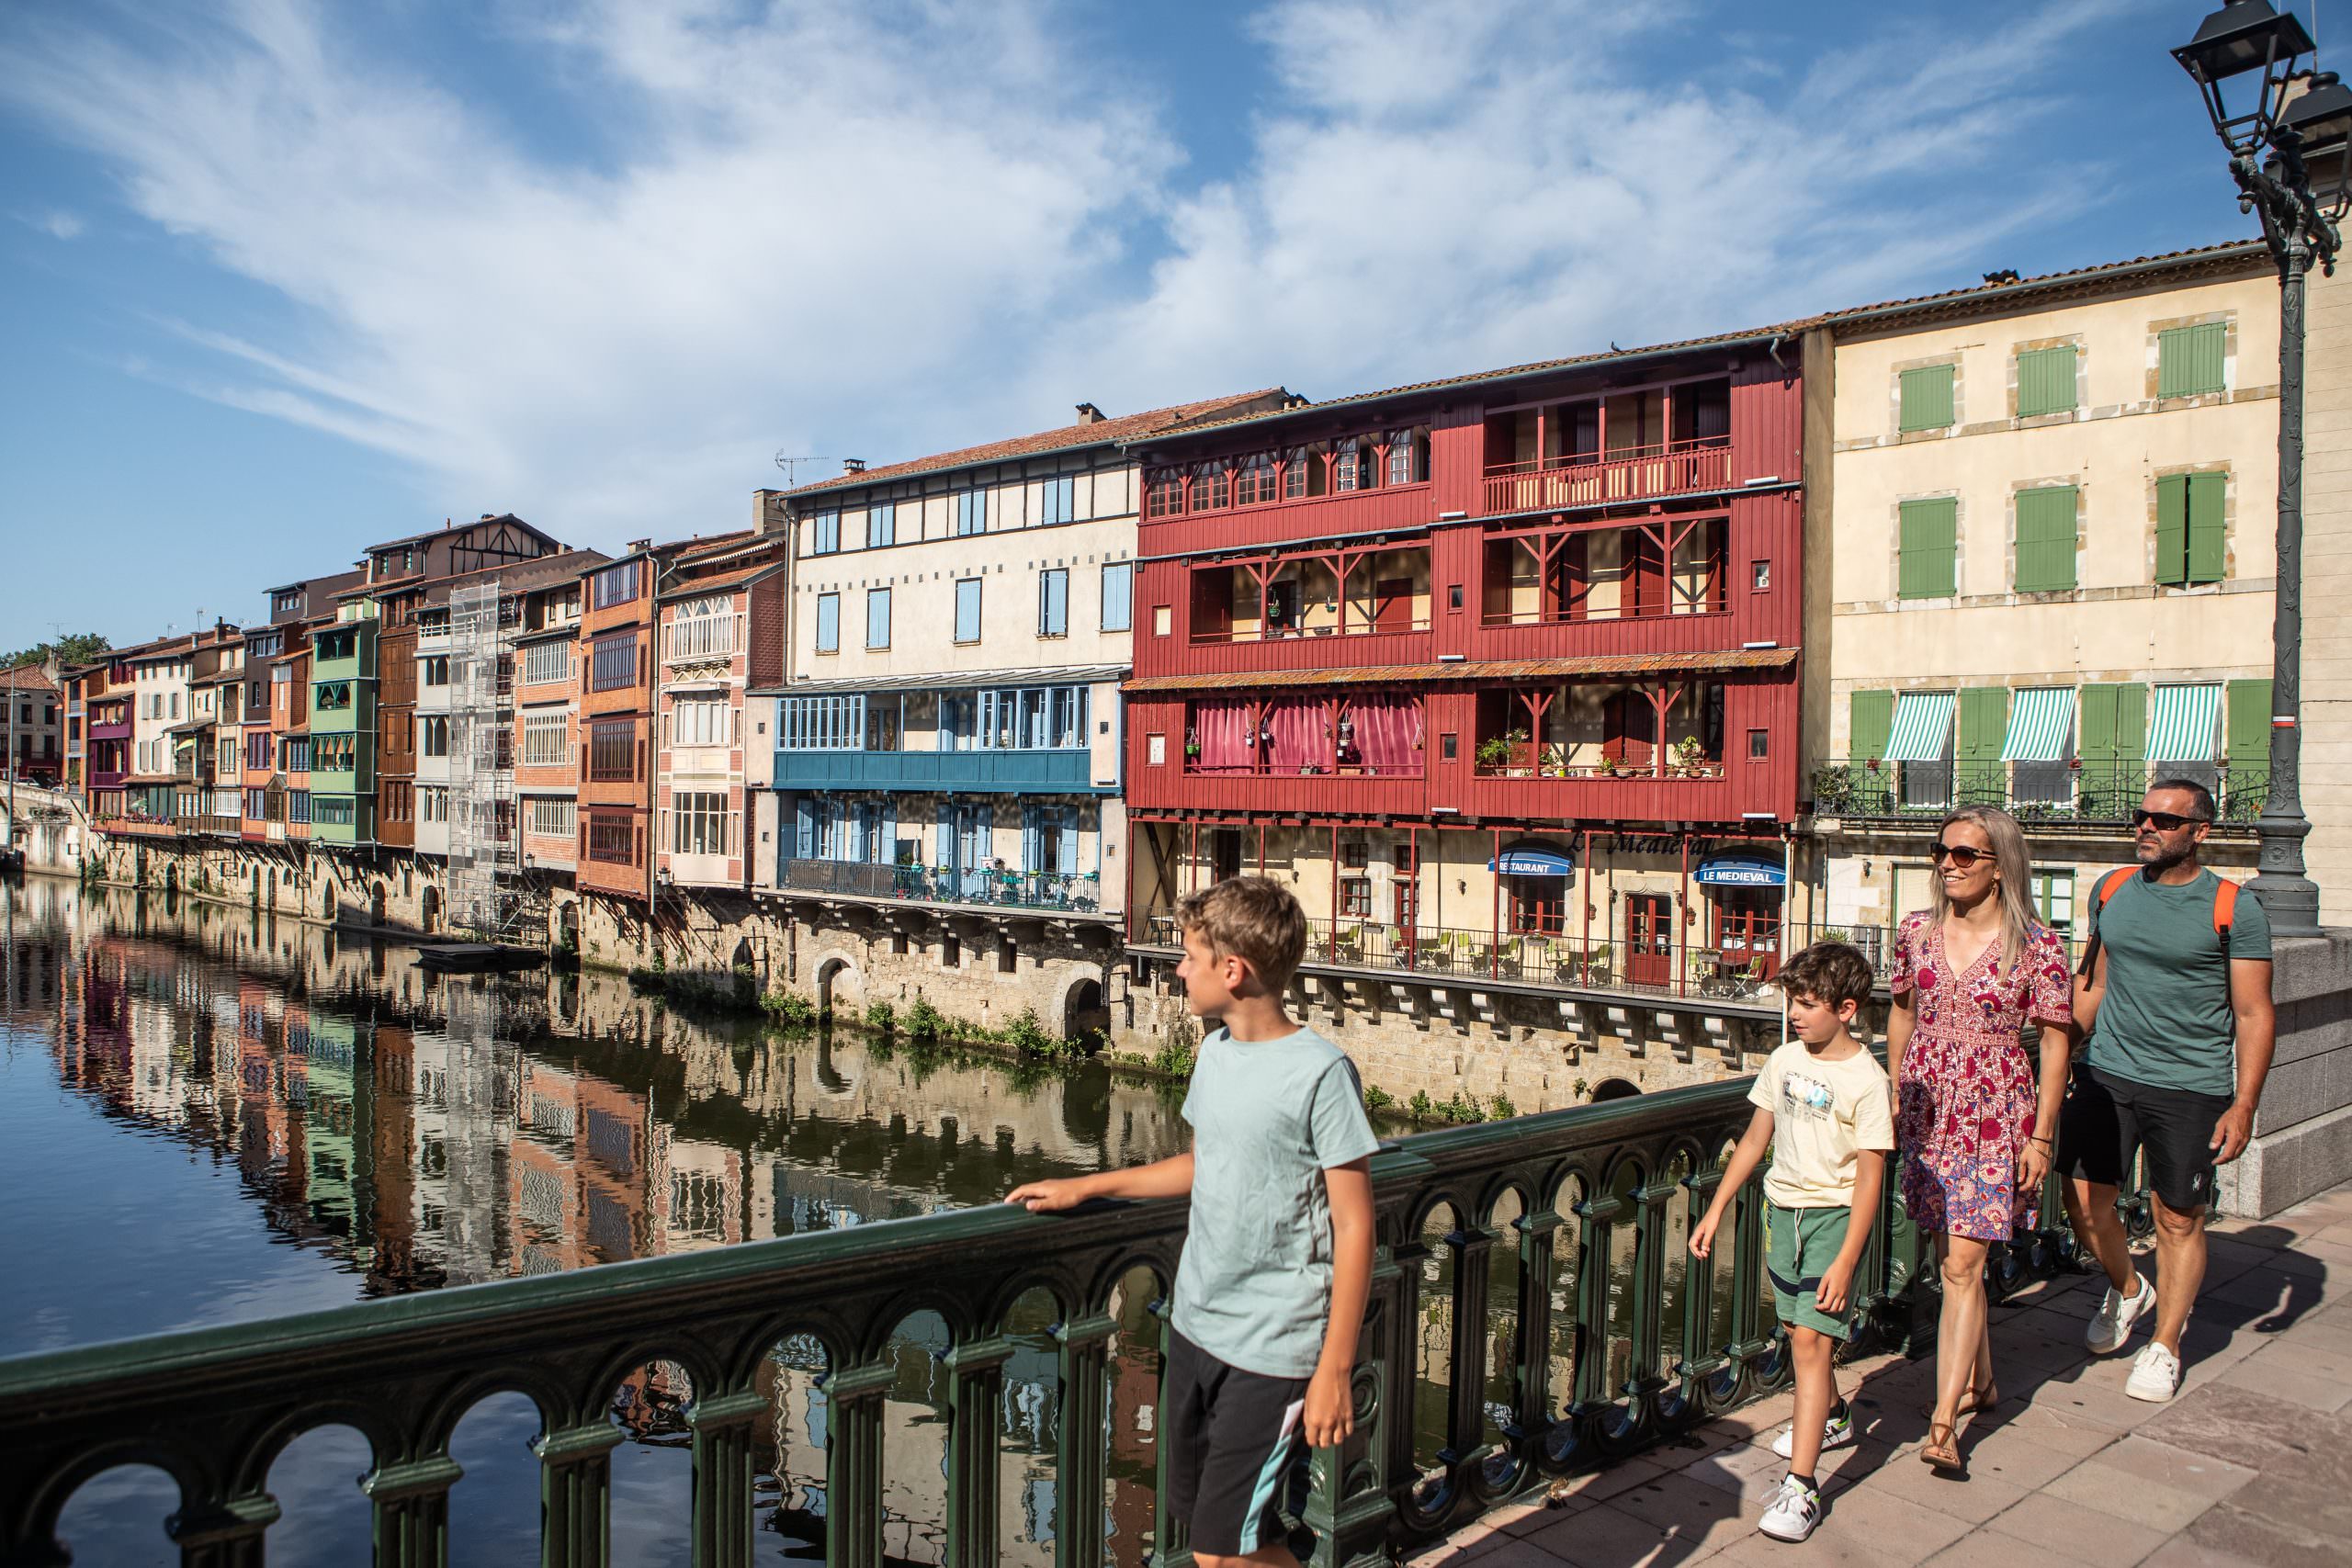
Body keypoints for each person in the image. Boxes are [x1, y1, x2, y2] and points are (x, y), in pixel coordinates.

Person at [1005, 877, 1378, 1568]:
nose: (1178, 969)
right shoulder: (1214, 1054)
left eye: (1190, 956)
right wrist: (1084, 1186)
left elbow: (1356, 1225)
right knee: (1225, 1541)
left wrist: (1335, 1365)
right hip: (1197, 1326)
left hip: (1273, 1349)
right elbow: (1202, 1164)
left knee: (1219, 1548)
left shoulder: (1323, 1074)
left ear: (1232, 970)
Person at [2061, 779, 2274, 1404]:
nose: (2146, 826)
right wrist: (2058, 1048)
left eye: (2164, 819)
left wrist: (2244, 1102)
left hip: (2191, 1083)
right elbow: (2093, 981)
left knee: (2176, 1217)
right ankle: (2130, 1288)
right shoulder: (2113, 890)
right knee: (2080, 1196)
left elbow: (2256, 1014)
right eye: (2142, 815)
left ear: (2199, 832)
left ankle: (2166, 1344)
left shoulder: (2235, 907)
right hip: (2107, 1071)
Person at [1884, 805, 2073, 1472]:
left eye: (1965, 854)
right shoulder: (1915, 932)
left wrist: (2042, 1135)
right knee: (1950, 1258)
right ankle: (1984, 1381)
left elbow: (2055, 1042)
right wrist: (1894, 1085)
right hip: (1929, 1109)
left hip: (1997, 1109)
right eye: (1943, 851)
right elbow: (1902, 1011)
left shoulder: (2040, 946)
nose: (1947, 864)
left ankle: (1943, 1423)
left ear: (2000, 866)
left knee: (1963, 1266)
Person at [1690, 942, 1891, 1544]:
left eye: (1806, 1003)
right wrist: (1717, 1206)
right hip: (1783, 1212)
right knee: (1793, 1327)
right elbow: (1755, 1140)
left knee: (1809, 1340)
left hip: (1832, 1218)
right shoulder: (1782, 1060)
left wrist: (1849, 1257)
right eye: (1793, 1002)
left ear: (1847, 1007)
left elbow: (1872, 1177)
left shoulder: (1867, 1081)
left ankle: (1802, 1485)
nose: (1795, 1014)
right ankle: (1830, 1413)